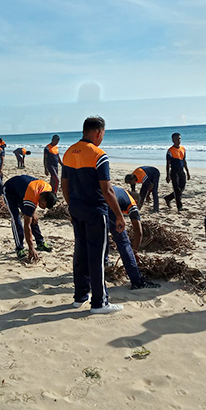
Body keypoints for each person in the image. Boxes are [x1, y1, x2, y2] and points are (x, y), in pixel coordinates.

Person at [62, 116, 125, 314]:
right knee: (97, 256)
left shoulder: (69, 152)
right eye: (103, 134)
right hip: (95, 211)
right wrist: (119, 215)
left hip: (77, 208)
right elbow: (107, 190)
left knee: (80, 251)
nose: (102, 138)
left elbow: (64, 184)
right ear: (98, 132)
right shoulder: (99, 155)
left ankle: (80, 295)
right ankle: (99, 302)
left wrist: (71, 204)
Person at [108, 187, 161, 289]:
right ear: (136, 201)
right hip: (110, 204)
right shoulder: (131, 202)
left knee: (100, 237)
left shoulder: (120, 192)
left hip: (94, 202)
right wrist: (134, 252)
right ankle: (137, 282)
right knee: (123, 242)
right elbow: (138, 231)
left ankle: (104, 262)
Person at [2, 175, 56, 260]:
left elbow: (35, 199)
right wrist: (31, 248)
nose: (44, 208)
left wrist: (33, 212)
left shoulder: (48, 188)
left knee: (33, 218)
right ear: (43, 199)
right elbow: (26, 225)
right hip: (10, 190)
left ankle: (40, 243)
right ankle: (19, 248)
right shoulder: (32, 195)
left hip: (24, 190)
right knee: (16, 218)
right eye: (44, 205)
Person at [164, 133, 190, 210]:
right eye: (176, 139)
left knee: (182, 187)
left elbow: (184, 161)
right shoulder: (170, 151)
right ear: (173, 140)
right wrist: (168, 175)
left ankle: (168, 198)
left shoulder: (183, 149)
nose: (178, 140)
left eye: (179, 138)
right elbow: (168, 164)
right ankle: (179, 206)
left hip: (181, 171)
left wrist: (187, 172)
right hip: (174, 172)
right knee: (176, 189)